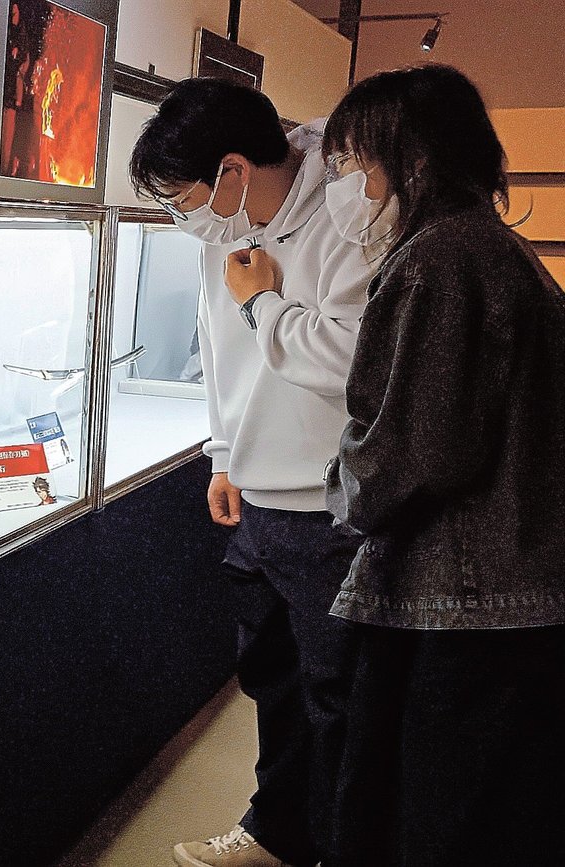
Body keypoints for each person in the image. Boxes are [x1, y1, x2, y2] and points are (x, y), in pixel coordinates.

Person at [315, 63, 565, 866]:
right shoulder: (495, 248)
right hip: (502, 591)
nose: (346, 184)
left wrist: (343, 487)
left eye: (356, 161)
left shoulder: (439, 258)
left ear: (414, 160)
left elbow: (420, 448)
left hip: (463, 598)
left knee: (434, 814)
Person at [128, 77, 375, 867]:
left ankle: (340, 844)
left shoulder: (347, 217)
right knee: (271, 677)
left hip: (331, 507)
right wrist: (224, 453)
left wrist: (263, 304)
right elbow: (218, 344)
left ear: (233, 170)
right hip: (257, 499)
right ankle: (276, 832)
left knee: (338, 694)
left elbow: (352, 364)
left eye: (182, 199)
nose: (183, 219)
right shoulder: (223, 230)